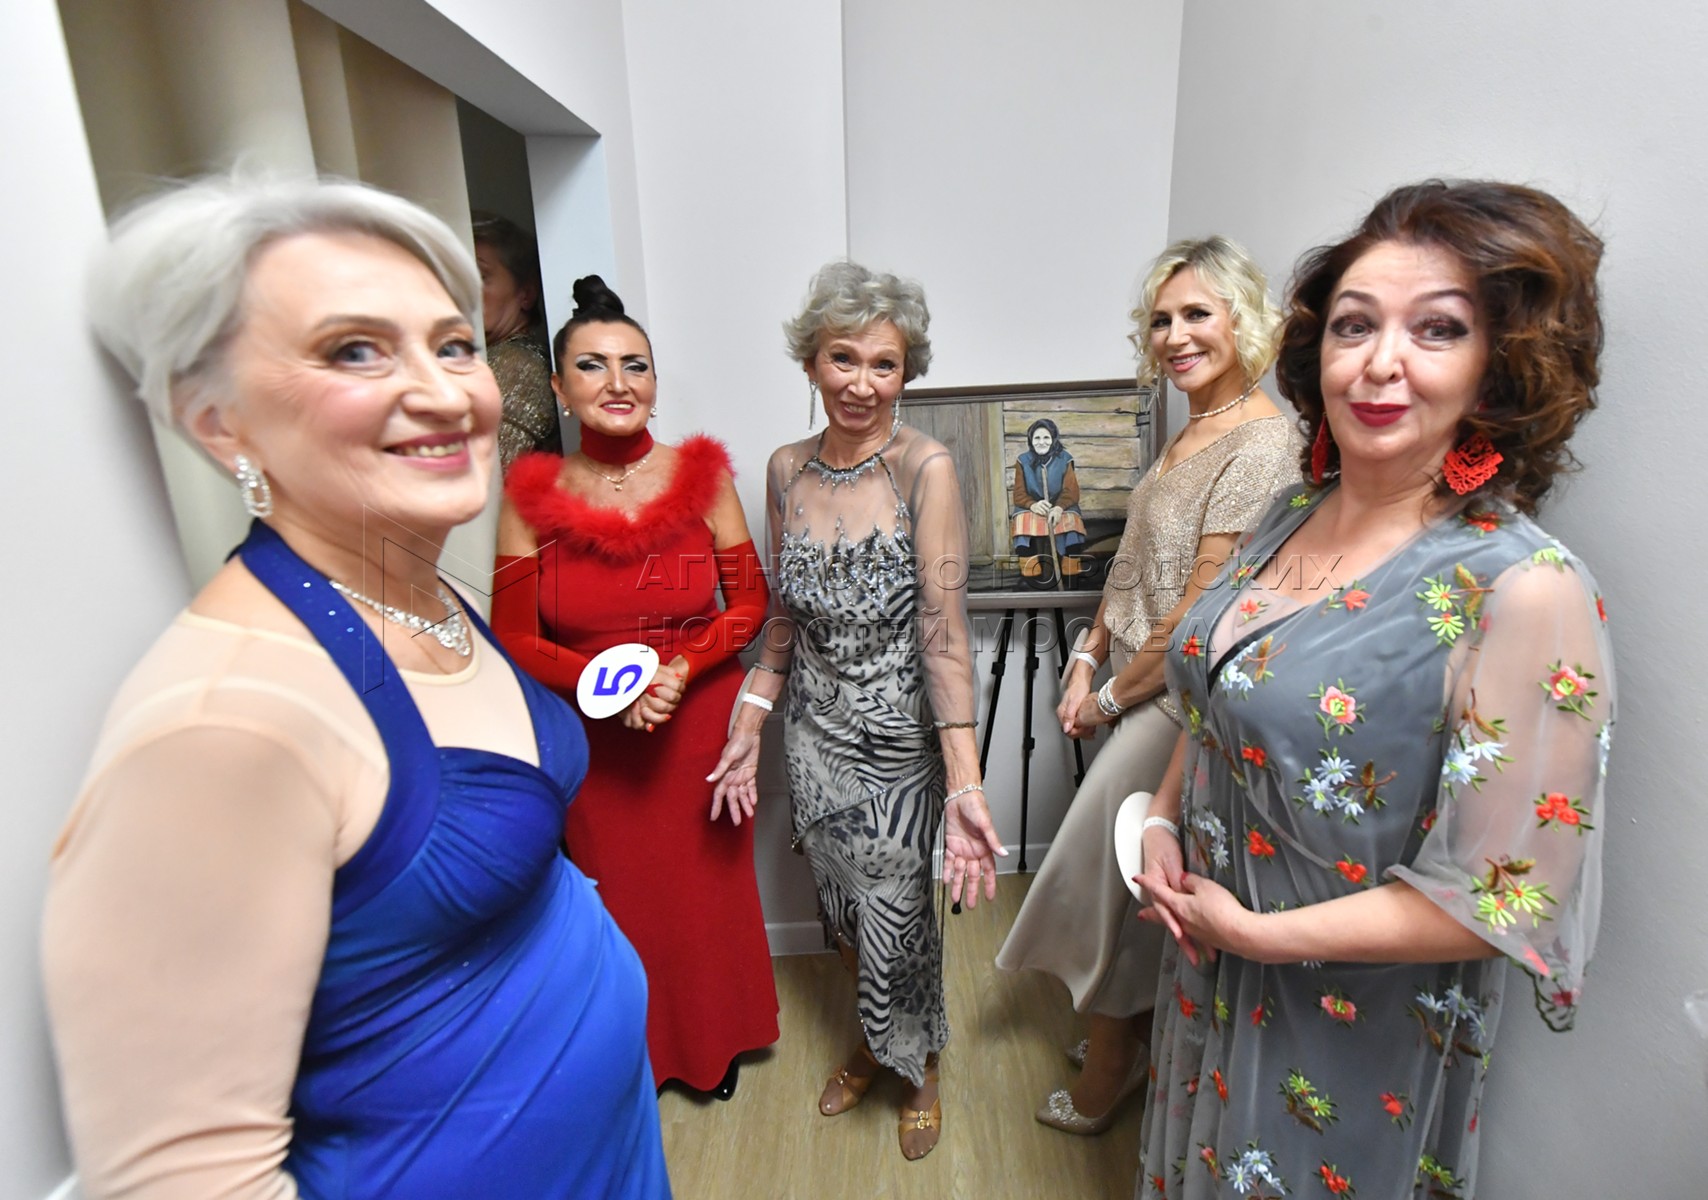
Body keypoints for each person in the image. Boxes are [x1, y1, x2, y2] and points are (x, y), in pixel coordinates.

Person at [42, 176, 670, 1199]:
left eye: (452, 344)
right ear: (220, 423)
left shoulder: (426, 591)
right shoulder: (221, 726)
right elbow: (186, 1176)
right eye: (353, 351)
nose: (445, 393)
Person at [1133, 180, 1612, 1200]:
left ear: (1499, 364)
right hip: (1210, 963)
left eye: (1437, 330)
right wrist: (1165, 821)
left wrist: (1255, 936)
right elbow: (1221, 689)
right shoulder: (1293, 509)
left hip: (1348, 1021)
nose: (1380, 362)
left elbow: (1499, 899)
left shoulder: (1522, 588)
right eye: (1354, 325)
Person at [996, 237, 1303, 1135]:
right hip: (1134, 678)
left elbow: (1198, 613)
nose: (1175, 336)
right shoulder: (1192, 427)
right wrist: (1086, 655)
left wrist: (1106, 698)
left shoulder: (1264, 442)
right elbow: (1134, 563)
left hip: (1175, 700)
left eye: (1197, 314)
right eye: (1162, 319)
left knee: (1112, 881)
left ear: (1244, 320)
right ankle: (1124, 1038)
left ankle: (1112, 1068)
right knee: (1117, 876)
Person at [707, 261, 1006, 1161]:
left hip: (898, 744)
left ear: (907, 373)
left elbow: (943, 629)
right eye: (844, 358)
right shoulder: (785, 469)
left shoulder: (926, 468)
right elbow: (782, 620)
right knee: (841, 911)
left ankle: (920, 1066)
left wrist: (964, 782)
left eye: (886, 364)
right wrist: (749, 722)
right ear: (811, 362)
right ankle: (877, 1041)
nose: (863, 383)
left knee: (899, 918)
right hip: (813, 737)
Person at [492, 274, 780, 1099]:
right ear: (559, 388)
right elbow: (514, 635)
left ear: (654, 383)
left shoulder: (703, 479)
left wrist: (680, 669)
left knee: (706, 897)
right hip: (594, 736)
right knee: (618, 899)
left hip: (697, 720)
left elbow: (749, 603)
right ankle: (638, 1054)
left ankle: (715, 1044)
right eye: (592, 365)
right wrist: (605, 683)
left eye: (635, 365)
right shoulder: (530, 499)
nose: (617, 382)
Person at [473, 210, 561, 470]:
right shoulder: (489, 356)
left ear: (526, 293)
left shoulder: (518, 365)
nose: (464, 289)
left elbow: (483, 473)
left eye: (480, 276)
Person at [1011, 417, 1089, 587]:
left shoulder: (1065, 459)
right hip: (1033, 508)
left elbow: (1071, 491)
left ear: (1053, 439)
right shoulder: (1023, 461)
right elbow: (1019, 494)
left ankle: (1071, 578)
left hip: (1061, 507)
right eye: (1037, 438)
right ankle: (1032, 580)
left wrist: (1059, 508)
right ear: (1031, 440)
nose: (1041, 442)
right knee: (1022, 523)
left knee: (1072, 523)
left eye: (1046, 437)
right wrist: (1033, 505)